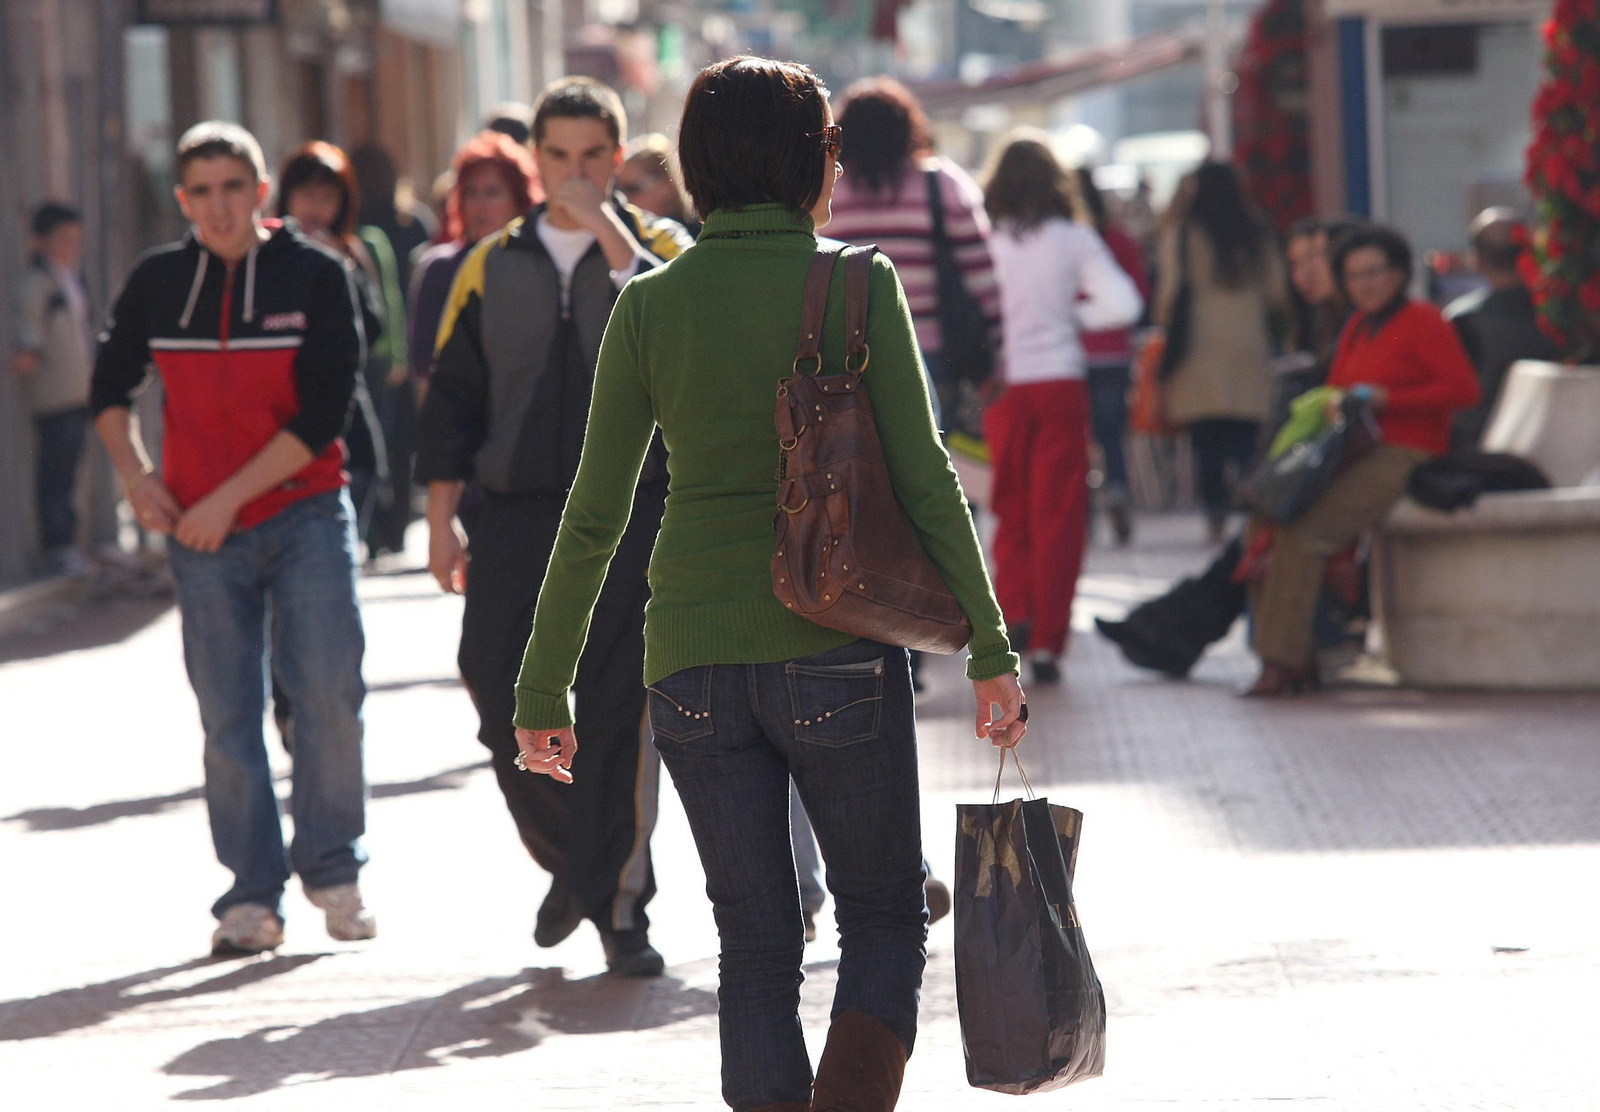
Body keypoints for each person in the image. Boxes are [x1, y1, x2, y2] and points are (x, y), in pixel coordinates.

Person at [509, 57, 1026, 1111]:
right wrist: (989, 648)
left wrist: (541, 689)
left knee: (753, 939)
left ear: (693, 166)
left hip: (690, 653)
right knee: (883, 911)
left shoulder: (650, 302)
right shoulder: (855, 282)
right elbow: (927, 483)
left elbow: (594, 514)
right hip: (836, 643)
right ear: (812, 163)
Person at [416, 77, 693, 977]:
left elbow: (680, 328)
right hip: (520, 516)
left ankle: (620, 908)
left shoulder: (660, 249)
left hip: (635, 515)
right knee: (496, 688)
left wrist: (609, 227)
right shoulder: (489, 262)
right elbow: (452, 400)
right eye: (559, 157)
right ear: (534, 161)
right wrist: (440, 524)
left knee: (619, 709)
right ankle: (572, 860)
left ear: (619, 158)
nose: (574, 173)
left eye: (593, 156)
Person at [91, 121, 374, 955]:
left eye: (233, 187)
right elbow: (109, 391)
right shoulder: (158, 280)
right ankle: (251, 896)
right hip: (199, 532)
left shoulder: (318, 276)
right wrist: (138, 477)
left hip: (307, 511)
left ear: (259, 192)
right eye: (201, 191)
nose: (218, 206)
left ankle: (332, 865)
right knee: (227, 715)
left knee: (327, 690)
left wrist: (223, 500)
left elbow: (325, 414)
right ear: (184, 200)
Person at [1096, 218, 1357, 679]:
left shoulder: (1357, 324)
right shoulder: (1324, 323)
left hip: (1342, 469)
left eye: (1317, 259)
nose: (1306, 273)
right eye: (1296, 263)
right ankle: (1169, 628)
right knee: (1249, 535)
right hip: (1318, 466)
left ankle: (1171, 628)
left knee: (1259, 534)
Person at [1242, 224, 1480, 696]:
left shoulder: (1424, 321)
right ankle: (1295, 656)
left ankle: (1281, 662)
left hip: (1406, 453)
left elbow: (1463, 391)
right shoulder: (1355, 324)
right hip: (1351, 450)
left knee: (1307, 532)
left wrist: (1389, 399)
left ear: (1398, 273)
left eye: (1376, 272)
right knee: (1269, 520)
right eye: (1354, 275)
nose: (1366, 283)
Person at [981, 132, 1142, 686]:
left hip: (1003, 387)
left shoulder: (986, 239)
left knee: (1011, 510)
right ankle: (1050, 640)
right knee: (1060, 514)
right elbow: (1124, 303)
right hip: (1060, 381)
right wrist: (1075, 319)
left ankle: (1013, 616)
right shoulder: (1074, 239)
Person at [826, 76, 1001, 424]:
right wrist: (998, 354)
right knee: (933, 459)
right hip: (936, 355)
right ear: (909, 127)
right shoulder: (943, 184)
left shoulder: (828, 189)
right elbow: (985, 281)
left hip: (844, 358)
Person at [1155, 161, 1287, 541]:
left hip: (1199, 341)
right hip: (1248, 339)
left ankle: (1214, 516)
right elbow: (1276, 290)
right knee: (1246, 434)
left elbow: (1169, 289)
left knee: (1207, 439)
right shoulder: (1256, 231)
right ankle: (1250, 511)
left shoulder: (1184, 232)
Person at [275, 142, 395, 539]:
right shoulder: (268, 254)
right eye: (306, 194)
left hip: (347, 403)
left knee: (362, 478)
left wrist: (339, 269)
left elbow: (374, 329)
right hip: (284, 409)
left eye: (327, 197)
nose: (315, 206)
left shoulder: (349, 251)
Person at [408, 130, 540, 402]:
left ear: (519, 200)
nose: (480, 205)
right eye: (471, 192)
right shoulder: (440, 268)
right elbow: (424, 371)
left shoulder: (540, 266)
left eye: (492, 192)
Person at [11, 202, 96, 576]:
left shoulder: (72, 279)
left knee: (70, 472)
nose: (71, 247)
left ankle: (68, 546)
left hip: (79, 391)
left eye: (76, 240)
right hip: (53, 396)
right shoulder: (37, 283)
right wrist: (26, 353)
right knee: (55, 475)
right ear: (40, 242)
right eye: (63, 240)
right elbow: (28, 335)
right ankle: (57, 549)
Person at [1074, 166, 1150, 545]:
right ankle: (1117, 488)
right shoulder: (1118, 241)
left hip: (1071, 355)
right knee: (1111, 433)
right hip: (1113, 352)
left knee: (1078, 437)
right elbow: (1138, 291)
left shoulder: (1066, 243)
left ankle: (1083, 509)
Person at [1447, 207, 1559, 449]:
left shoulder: (1462, 319)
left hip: (1480, 449)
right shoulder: (1564, 313)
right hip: (1556, 442)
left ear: (1476, 260)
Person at [619, 133, 699, 236]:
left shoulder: (700, 236)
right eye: (617, 190)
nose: (623, 198)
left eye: (632, 189)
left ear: (666, 184)